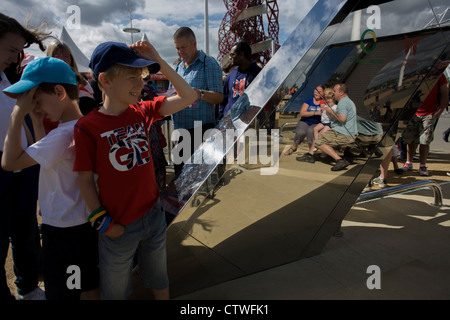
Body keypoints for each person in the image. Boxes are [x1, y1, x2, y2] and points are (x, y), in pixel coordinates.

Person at [73, 40, 197, 300]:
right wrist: (103, 222)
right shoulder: (87, 127)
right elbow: (84, 180)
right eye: (132, 77)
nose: (140, 84)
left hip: (153, 215)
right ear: (105, 81)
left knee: (159, 276)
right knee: (116, 289)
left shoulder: (142, 111)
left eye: (141, 77)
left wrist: (160, 60)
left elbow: (189, 96)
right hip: (117, 226)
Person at [2, 57, 99, 300]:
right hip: (80, 224)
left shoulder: (63, 135)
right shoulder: (80, 125)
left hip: (63, 230)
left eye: (37, 100)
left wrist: (16, 115)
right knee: (84, 282)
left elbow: (9, 162)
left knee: (65, 290)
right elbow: (43, 153)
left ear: (59, 92)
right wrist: (35, 120)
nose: (36, 107)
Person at [0, 13, 50, 301]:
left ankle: (28, 288)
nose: (15, 57)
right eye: (10, 50)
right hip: (5, 169)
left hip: (23, 169)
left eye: (19, 51)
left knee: (26, 232)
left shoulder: (9, 77)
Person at [171, 27, 223, 177]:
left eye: (183, 47)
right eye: (177, 48)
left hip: (200, 131)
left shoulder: (209, 64)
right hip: (179, 130)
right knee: (180, 176)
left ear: (194, 43)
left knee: (199, 177)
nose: (180, 52)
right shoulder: (178, 67)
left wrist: (198, 93)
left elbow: (219, 97)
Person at [401, 74, 448, 176]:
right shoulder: (416, 72)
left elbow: (445, 94)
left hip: (429, 113)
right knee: (410, 139)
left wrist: (439, 112)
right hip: (413, 112)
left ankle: (422, 165)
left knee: (425, 140)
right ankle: (409, 162)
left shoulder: (439, 75)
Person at [315, 83, 358, 171]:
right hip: (347, 132)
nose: (333, 93)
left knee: (319, 142)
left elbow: (342, 119)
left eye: (334, 91)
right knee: (322, 137)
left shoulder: (342, 102)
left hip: (343, 133)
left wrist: (330, 111)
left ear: (341, 92)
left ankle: (340, 160)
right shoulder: (348, 101)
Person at [218, 41, 261, 120]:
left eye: (232, 55)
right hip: (229, 123)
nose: (230, 58)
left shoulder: (259, 74)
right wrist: (221, 118)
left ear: (241, 55)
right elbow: (223, 100)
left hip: (248, 123)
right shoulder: (230, 76)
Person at [285, 85, 324, 163]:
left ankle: (310, 153)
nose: (316, 93)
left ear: (323, 93)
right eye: (315, 91)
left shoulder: (323, 102)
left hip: (316, 123)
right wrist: (315, 113)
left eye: (319, 91)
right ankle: (294, 147)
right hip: (305, 121)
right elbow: (302, 114)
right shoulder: (309, 100)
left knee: (310, 131)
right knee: (300, 132)